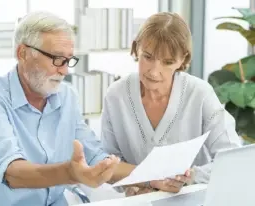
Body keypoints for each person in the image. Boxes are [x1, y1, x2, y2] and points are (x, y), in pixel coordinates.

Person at [0, 11, 140, 206]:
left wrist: (154, 177)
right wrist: (70, 173)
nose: (64, 70)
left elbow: (96, 157)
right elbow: (13, 173)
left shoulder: (67, 96)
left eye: (68, 60)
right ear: (23, 53)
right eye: (57, 58)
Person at [101, 12, 242, 196]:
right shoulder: (116, 96)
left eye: (167, 62)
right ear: (136, 49)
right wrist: (135, 183)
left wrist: (191, 177)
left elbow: (232, 158)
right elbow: (106, 162)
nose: (154, 71)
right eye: (148, 57)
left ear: (182, 59)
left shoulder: (200, 94)